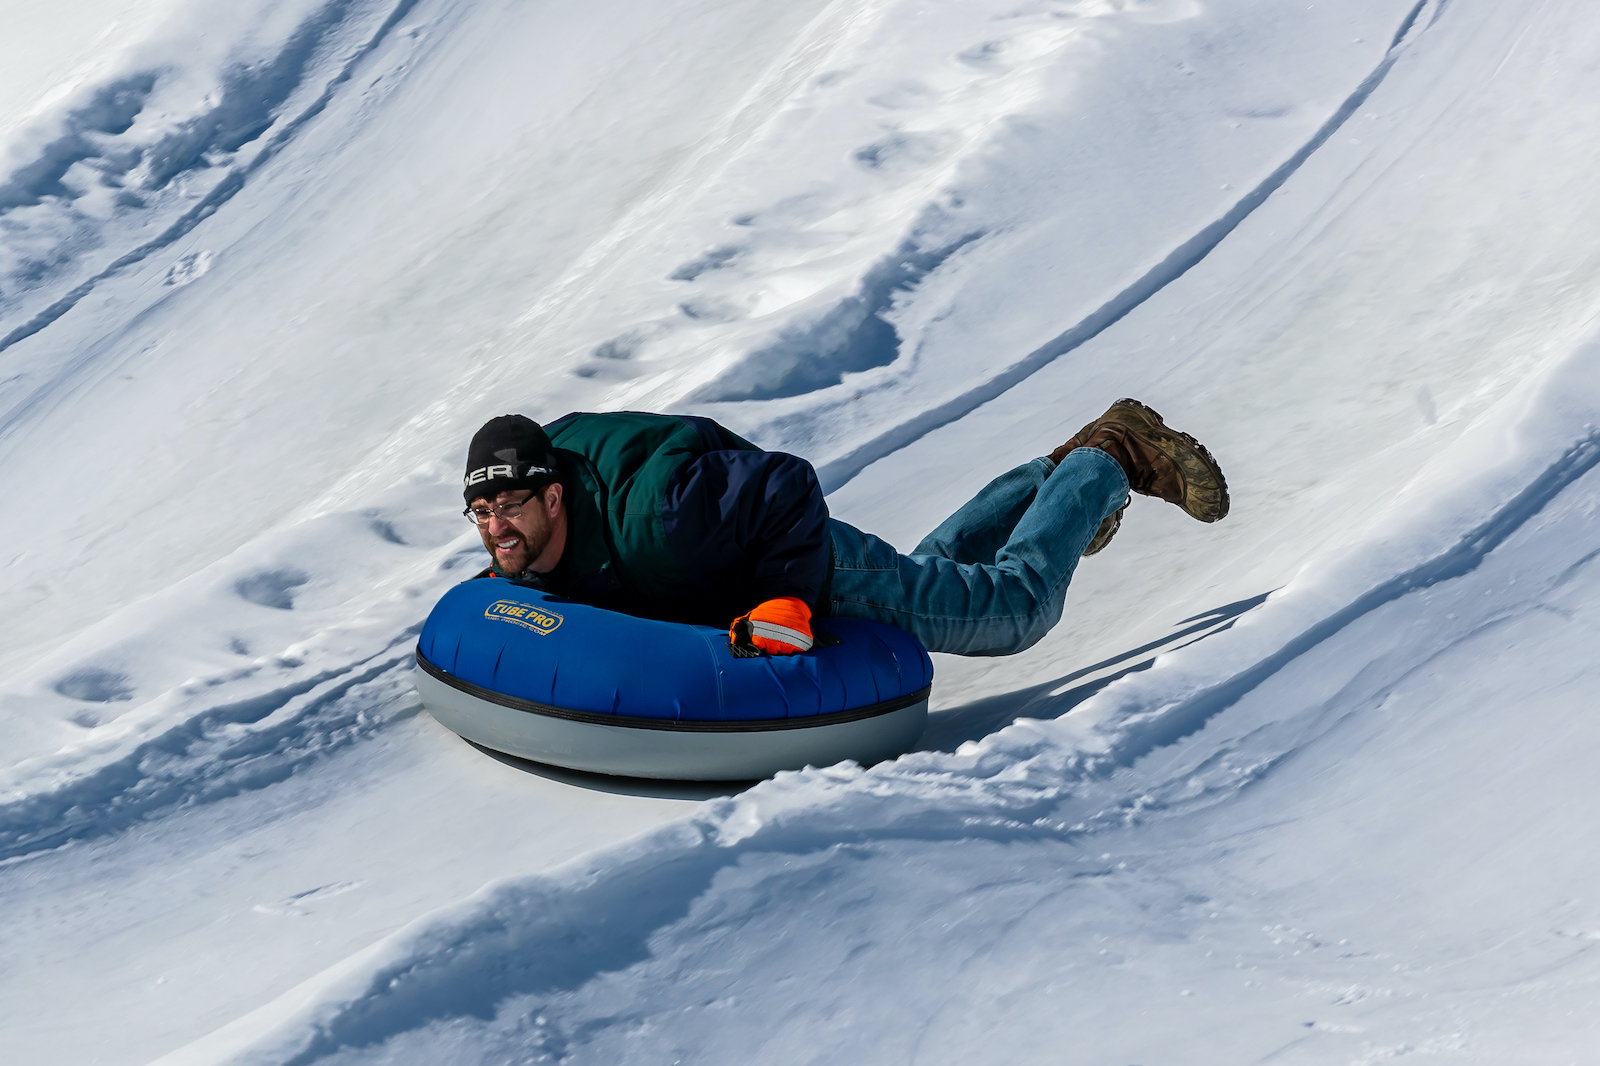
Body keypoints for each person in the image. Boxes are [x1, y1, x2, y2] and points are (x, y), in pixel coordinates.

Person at [461, 401, 1227, 657]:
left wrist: (783, 599)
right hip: (749, 557)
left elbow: (787, 484)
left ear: (556, 498)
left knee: (1016, 607)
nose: (498, 529)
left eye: (512, 510)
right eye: (483, 514)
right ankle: (1056, 479)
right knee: (937, 572)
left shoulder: (660, 516)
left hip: (815, 566)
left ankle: (1108, 458)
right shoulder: (528, 532)